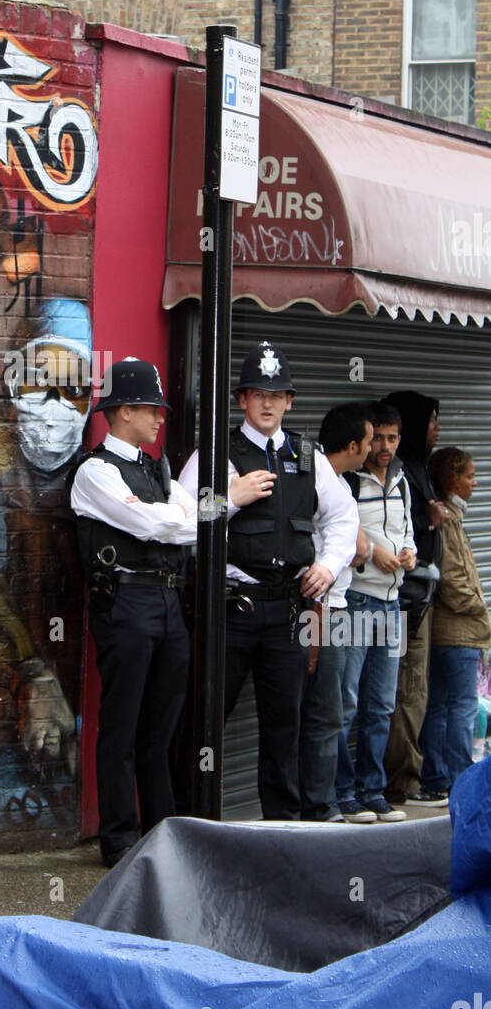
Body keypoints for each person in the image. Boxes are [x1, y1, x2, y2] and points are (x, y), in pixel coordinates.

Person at [178, 342, 357, 819]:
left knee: (286, 726)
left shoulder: (308, 455)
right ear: (241, 400)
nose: (267, 403)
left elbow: (343, 517)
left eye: (277, 395)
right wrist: (231, 499)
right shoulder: (216, 452)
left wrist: (329, 564)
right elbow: (179, 518)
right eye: (257, 393)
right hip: (233, 609)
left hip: (288, 612)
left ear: (290, 402)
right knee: (206, 720)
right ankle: (193, 822)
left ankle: (283, 829)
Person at [69, 356, 197, 867]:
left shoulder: (159, 466)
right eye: (151, 408)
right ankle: (119, 837)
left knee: (161, 725)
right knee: (121, 724)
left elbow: (193, 516)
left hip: (168, 599)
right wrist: (174, 517)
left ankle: (161, 830)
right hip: (126, 600)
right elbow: (154, 525)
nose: (160, 418)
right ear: (122, 412)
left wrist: (175, 517)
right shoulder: (95, 471)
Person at [336, 402, 417, 823]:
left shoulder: (402, 481)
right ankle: (343, 794)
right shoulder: (349, 481)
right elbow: (337, 534)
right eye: (378, 438)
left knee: (381, 706)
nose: (384, 446)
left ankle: (373, 790)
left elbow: (409, 532)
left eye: (392, 438)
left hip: (392, 605)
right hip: (356, 603)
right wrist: (371, 558)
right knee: (346, 703)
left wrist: (408, 554)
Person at [298, 403, 371, 822]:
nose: (373, 447)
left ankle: (321, 801)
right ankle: (321, 806)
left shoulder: (340, 483)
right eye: (368, 440)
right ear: (352, 445)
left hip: (333, 608)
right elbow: (358, 549)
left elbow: (358, 549)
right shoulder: (324, 481)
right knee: (326, 713)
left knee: (331, 710)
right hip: (322, 609)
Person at [381, 390, 449, 803]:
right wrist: (429, 520)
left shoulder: (418, 470)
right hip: (401, 602)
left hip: (418, 602)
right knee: (404, 695)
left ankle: (408, 778)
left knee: (413, 694)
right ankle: (401, 784)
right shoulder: (401, 474)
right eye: (431, 422)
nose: (436, 430)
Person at [415, 447, 489, 805]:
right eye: (469, 476)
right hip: (457, 631)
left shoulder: (452, 515)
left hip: (451, 630)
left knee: (442, 705)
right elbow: (456, 580)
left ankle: (437, 780)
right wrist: (480, 609)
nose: (475, 483)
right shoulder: (447, 518)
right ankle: (459, 781)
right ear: (450, 479)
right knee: (459, 705)